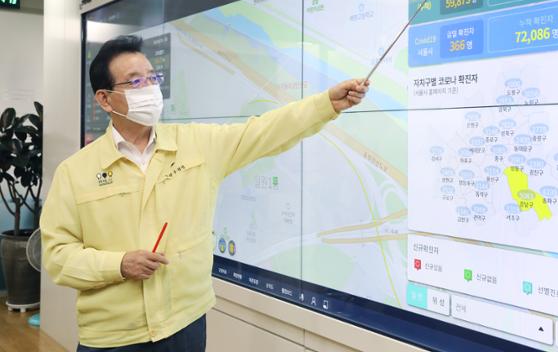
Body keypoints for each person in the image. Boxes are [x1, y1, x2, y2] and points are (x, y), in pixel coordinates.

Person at [41, 35, 369, 351]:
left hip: (184, 324)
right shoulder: (76, 172)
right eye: (135, 81)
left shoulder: (196, 144)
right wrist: (119, 264)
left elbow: (263, 132)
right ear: (104, 99)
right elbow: (57, 256)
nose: (150, 88)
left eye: (152, 77)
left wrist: (326, 104)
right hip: (112, 337)